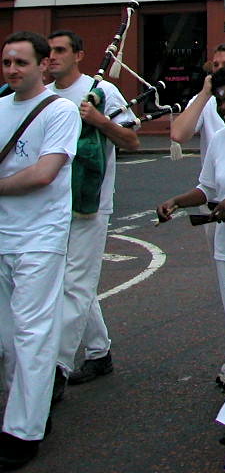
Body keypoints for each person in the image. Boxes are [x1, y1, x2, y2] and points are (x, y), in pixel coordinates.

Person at [0, 32, 81, 469]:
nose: (12, 69)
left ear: (41, 65)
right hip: (2, 235)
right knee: (7, 336)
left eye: (21, 63)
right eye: (7, 62)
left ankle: (23, 430)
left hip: (40, 238)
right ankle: (25, 411)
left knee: (32, 333)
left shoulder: (60, 110)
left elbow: (45, 172)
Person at [46, 30, 139, 403]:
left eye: (59, 51)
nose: (51, 58)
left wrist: (99, 120)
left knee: (74, 284)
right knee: (72, 283)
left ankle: (54, 369)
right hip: (48, 204)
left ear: (79, 55)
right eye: (48, 52)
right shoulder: (44, 94)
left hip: (89, 203)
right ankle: (98, 352)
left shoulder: (102, 91)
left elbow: (131, 140)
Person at [156, 65, 225, 394]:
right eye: (219, 101)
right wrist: (178, 201)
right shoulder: (218, 141)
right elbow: (207, 188)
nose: (224, 108)